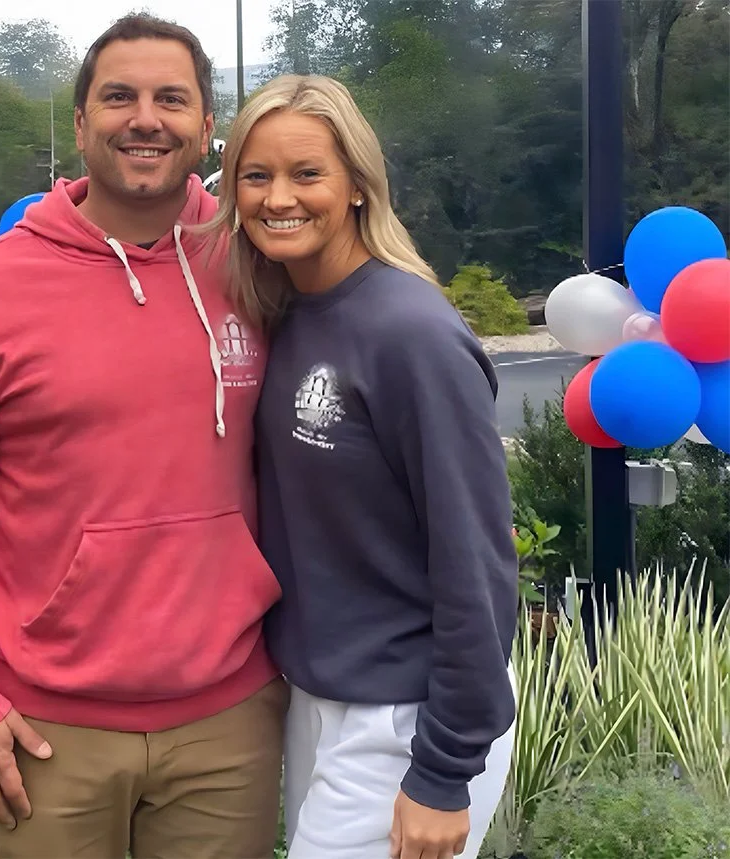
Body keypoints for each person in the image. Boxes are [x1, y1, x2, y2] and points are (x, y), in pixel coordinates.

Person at [0, 14, 287, 859]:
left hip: (229, 721)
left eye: (171, 99)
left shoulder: (253, 265)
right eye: (119, 97)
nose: (146, 118)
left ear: (206, 126)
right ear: (80, 123)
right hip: (47, 730)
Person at [203, 74, 519, 859]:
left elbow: (477, 561)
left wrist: (444, 771)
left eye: (307, 173)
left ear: (355, 186)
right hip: (319, 694)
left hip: (408, 715)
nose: (280, 196)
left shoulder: (411, 332)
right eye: (256, 174)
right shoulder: (291, 310)